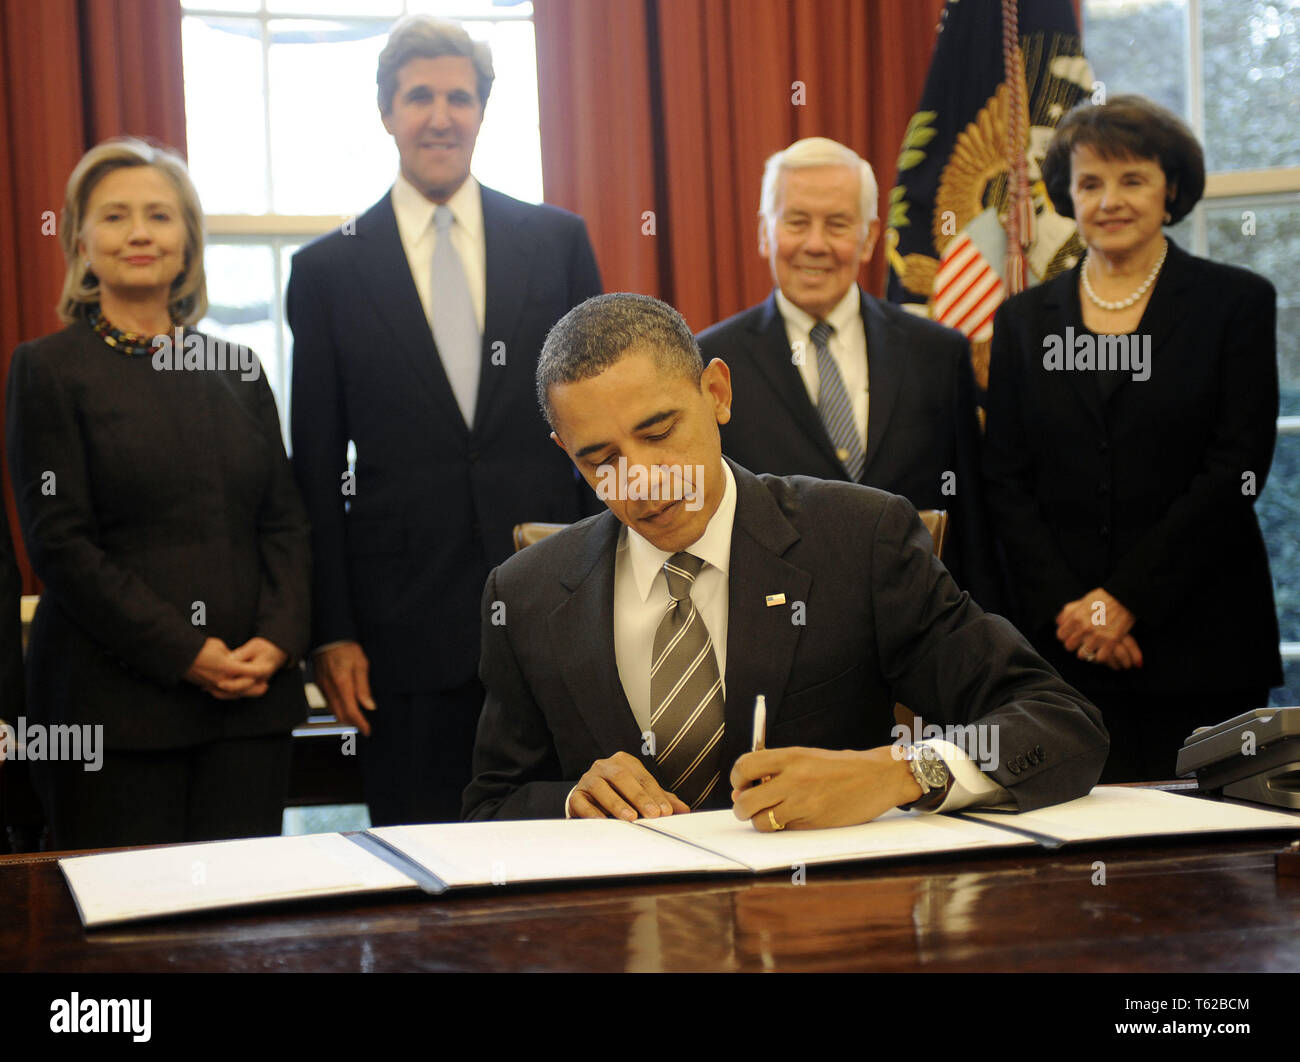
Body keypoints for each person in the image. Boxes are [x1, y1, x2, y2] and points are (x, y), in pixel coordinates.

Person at [463, 293, 1107, 827]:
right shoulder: (525, 594)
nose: (641, 481)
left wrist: (899, 773)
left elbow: (1059, 723)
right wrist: (573, 801)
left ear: (717, 392)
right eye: (599, 459)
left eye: (659, 433)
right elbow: (491, 804)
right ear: (564, 452)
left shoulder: (859, 540)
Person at [288, 15, 602, 827]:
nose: (440, 115)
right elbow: (314, 470)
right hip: (399, 635)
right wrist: (332, 631)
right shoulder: (327, 270)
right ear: (386, 112)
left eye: (458, 97)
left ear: (482, 111)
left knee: (560, 864)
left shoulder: (557, 241)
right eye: (419, 96)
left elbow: (605, 432)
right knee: (421, 879)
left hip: (555, 612)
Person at [5, 138, 311, 849]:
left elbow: (287, 523)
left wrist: (278, 639)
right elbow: (59, 542)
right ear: (81, 241)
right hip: (112, 712)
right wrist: (187, 653)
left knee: (243, 934)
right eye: (114, 217)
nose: (139, 233)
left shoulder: (239, 368)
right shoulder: (47, 369)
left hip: (251, 707)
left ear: (187, 243)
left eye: (159, 216)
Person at [982, 95, 1282, 782]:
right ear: (1068, 196)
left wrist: (1123, 603)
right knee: (1067, 870)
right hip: (1063, 651)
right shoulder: (1024, 321)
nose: (1109, 200)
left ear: (1169, 188)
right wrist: (1078, 611)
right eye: (1090, 183)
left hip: (1203, 643)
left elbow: (1235, 469)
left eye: (1132, 179)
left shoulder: (1234, 303)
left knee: (1218, 872)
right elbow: (1003, 476)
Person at [697, 137, 1001, 611]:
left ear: (869, 236)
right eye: (796, 221)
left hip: (918, 630)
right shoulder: (709, 361)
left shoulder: (938, 354)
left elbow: (973, 525)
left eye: (838, 224)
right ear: (764, 232)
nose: (816, 244)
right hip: (775, 635)